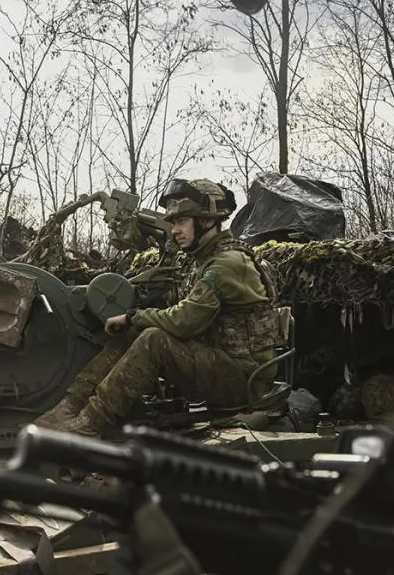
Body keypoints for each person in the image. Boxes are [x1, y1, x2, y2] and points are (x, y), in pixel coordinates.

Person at [33, 178, 286, 437]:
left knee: (153, 339)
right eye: (174, 222)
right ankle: (70, 406)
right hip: (224, 367)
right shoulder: (206, 259)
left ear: (207, 221)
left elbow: (184, 322)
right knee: (133, 332)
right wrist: (134, 320)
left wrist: (134, 316)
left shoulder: (226, 264)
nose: (175, 230)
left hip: (245, 380)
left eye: (181, 221)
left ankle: (90, 422)